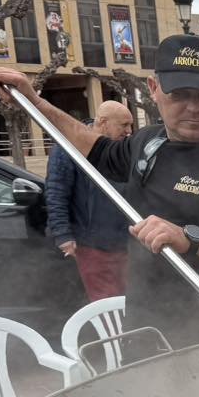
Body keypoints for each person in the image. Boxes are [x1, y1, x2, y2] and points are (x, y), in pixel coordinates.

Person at [0, 34, 199, 349]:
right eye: (180, 94)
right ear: (153, 90)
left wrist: (192, 239)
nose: (193, 107)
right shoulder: (148, 142)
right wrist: (35, 103)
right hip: (143, 336)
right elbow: (96, 149)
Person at [44, 101, 134, 301]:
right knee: (105, 302)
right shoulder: (67, 146)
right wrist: (62, 234)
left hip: (125, 242)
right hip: (91, 243)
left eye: (131, 125)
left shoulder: (123, 149)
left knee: (129, 300)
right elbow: (56, 191)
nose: (129, 131)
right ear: (103, 122)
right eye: (124, 125)